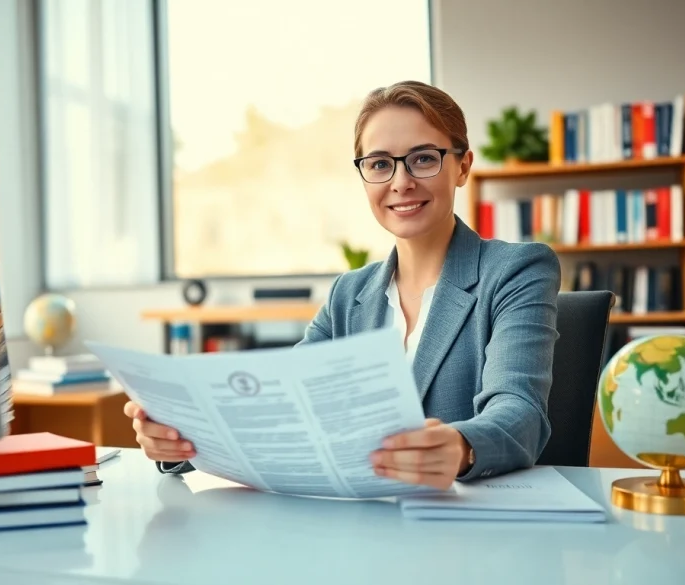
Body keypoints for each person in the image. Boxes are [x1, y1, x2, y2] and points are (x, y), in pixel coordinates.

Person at [123, 80, 561, 490]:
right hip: (354, 524)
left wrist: (463, 447)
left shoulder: (517, 270)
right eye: (380, 164)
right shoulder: (348, 295)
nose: (401, 181)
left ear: (462, 166)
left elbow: (519, 411)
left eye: (424, 158)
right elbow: (281, 408)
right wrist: (181, 439)